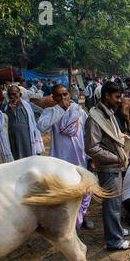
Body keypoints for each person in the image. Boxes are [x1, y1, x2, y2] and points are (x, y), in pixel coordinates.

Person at [85, 81, 130, 251]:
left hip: (116, 165)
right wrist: (115, 157)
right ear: (106, 96)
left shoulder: (109, 114)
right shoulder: (94, 118)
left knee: (115, 203)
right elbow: (92, 148)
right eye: (117, 97)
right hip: (108, 167)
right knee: (111, 205)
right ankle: (114, 241)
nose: (120, 100)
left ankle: (117, 230)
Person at [37, 84, 93, 229]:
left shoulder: (79, 111)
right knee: (64, 192)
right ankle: (67, 222)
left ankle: (83, 216)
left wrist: (90, 157)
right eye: (59, 96)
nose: (63, 98)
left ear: (69, 95)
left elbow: (87, 134)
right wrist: (60, 110)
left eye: (65, 94)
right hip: (60, 160)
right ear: (53, 98)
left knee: (84, 190)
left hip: (80, 158)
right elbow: (42, 127)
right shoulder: (50, 112)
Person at [3, 85, 44, 160]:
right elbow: (2, 120)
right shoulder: (4, 107)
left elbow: (41, 111)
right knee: (15, 156)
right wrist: (8, 109)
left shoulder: (28, 105)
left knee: (28, 156)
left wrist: (36, 122)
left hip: (26, 136)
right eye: (10, 94)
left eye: (14, 94)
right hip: (11, 136)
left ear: (20, 95)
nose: (12, 96)